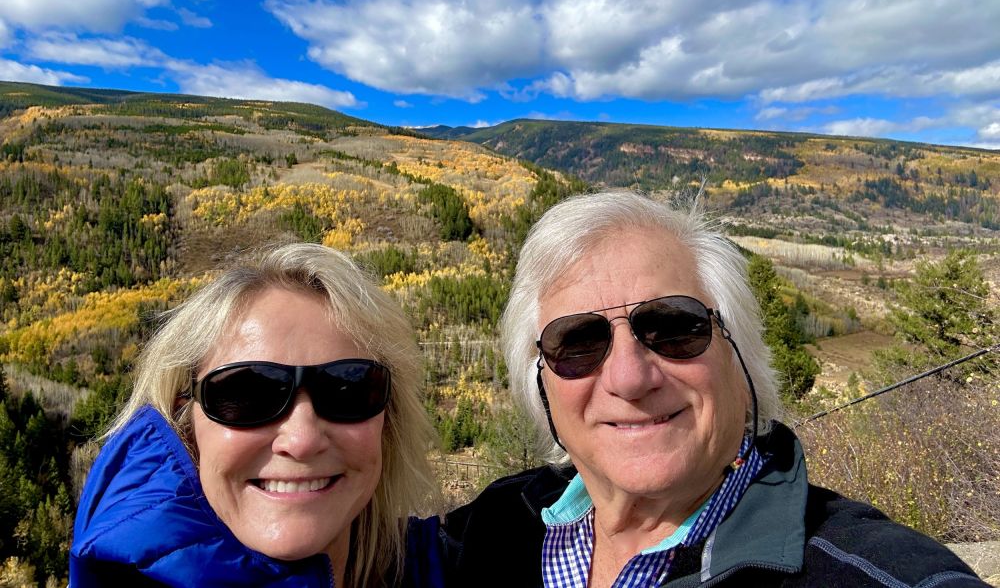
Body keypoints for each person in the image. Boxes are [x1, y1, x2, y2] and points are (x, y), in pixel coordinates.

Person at [440, 190, 986, 587]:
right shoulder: (494, 530)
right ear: (541, 383)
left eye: (674, 328)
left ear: (740, 358)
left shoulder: (874, 572)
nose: (630, 378)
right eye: (577, 342)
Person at [71, 243, 443, 587]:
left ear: (387, 420)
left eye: (349, 388)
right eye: (247, 394)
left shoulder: (450, 563)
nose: (301, 440)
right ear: (184, 421)